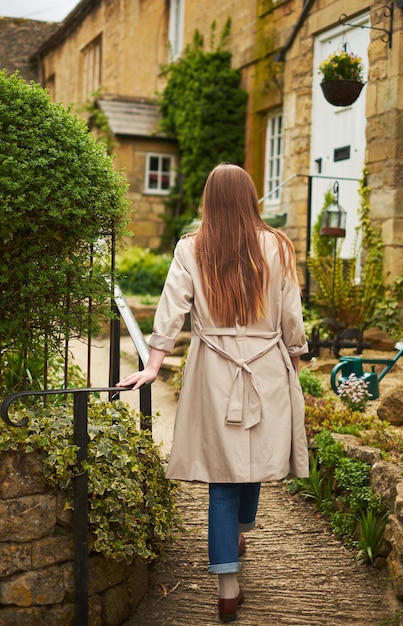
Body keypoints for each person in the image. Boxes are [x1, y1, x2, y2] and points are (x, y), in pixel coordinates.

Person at [117, 163, 309, 622]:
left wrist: (154, 364)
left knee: (224, 478)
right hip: (265, 367)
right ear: (249, 198)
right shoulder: (278, 246)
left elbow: (170, 310)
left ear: (208, 199)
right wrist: (295, 364)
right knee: (253, 460)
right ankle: (236, 546)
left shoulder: (191, 247)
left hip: (213, 370)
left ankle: (228, 587)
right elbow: (291, 316)